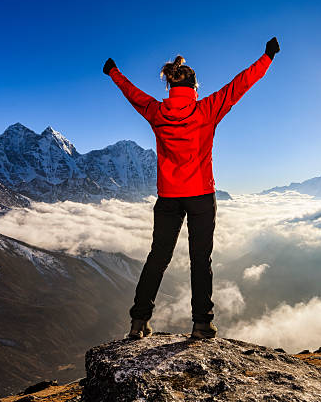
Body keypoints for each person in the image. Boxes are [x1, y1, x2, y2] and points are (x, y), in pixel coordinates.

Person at [103, 37, 280, 340]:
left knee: (157, 258)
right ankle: (202, 323)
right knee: (201, 259)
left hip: (168, 197)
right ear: (195, 88)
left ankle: (138, 322)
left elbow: (132, 94)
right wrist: (267, 58)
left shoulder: (157, 112)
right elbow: (239, 85)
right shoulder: (207, 110)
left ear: (170, 88)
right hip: (200, 195)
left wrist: (113, 72)